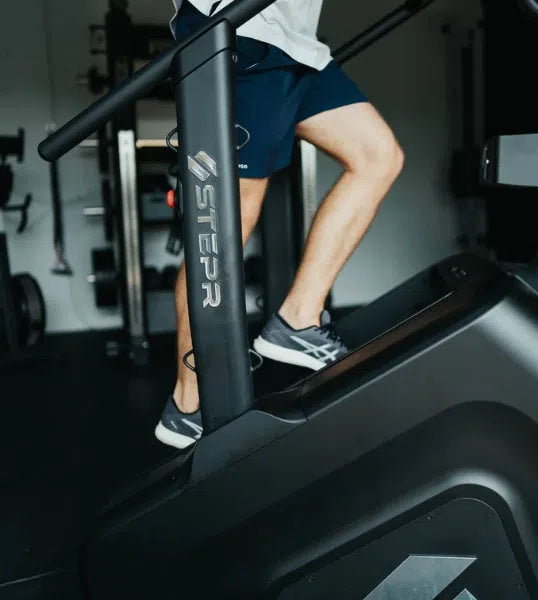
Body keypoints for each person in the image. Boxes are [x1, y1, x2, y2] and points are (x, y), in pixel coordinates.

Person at [155, 0, 405, 449]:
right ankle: (188, 405)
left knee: (377, 157)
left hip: (296, 44)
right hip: (239, 31)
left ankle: (297, 319)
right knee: (223, 226)